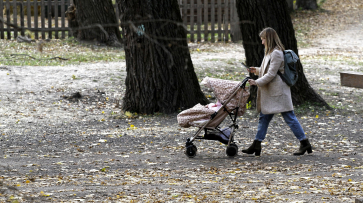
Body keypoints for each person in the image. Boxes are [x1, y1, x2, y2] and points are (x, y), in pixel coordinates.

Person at [242, 27, 312, 156]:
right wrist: (256, 70)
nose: (262, 42)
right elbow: (267, 70)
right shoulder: (269, 52)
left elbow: (271, 74)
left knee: (290, 118)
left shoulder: (276, 53)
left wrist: (256, 82)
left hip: (278, 92)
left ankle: (304, 142)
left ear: (268, 39)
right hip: (271, 92)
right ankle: (256, 144)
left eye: (263, 39)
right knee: (264, 117)